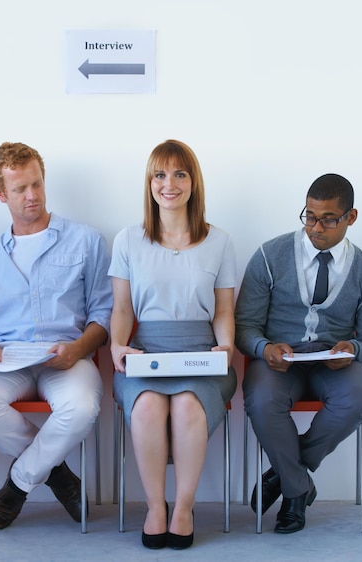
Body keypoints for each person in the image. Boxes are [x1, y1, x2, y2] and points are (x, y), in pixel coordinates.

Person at [0, 141, 112, 530]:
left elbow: (104, 313)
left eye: (37, 184)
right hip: (10, 358)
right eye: (20, 189)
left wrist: (78, 348)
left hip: (68, 357)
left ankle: (18, 483)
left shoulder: (86, 241)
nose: (32, 196)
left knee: (80, 407)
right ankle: (57, 473)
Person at [236, 173, 362, 534]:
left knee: (358, 396)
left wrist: (353, 349)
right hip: (278, 361)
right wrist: (264, 347)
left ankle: (288, 475)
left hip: (332, 364)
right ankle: (297, 492)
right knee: (261, 400)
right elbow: (244, 327)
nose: (315, 227)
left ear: (351, 217)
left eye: (328, 219)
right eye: (309, 216)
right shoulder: (269, 256)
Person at [109, 139, 237, 550]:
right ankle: (155, 508)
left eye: (180, 174)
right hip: (147, 353)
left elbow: (222, 311)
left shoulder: (219, 241)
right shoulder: (128, 240)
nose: (170, 184)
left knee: (186, 405)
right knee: (147, 404)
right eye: (160, 174)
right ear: (149, 184)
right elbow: (123, 308)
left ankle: (183, 508)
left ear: (193, 182)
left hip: (202, 352)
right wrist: (116, 346)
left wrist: (226, 347)